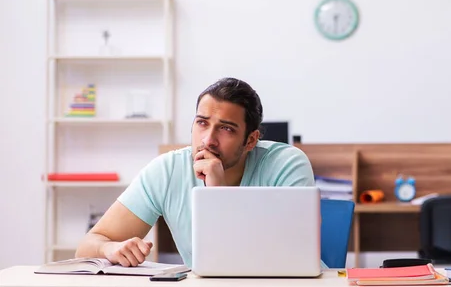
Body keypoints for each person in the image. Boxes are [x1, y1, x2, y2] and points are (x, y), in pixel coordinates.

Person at [75, 77, 315, 268]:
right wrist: (110, 249)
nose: (208, 140)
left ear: (251, 140)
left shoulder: (287, 164)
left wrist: (217, 193)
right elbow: (87, 247)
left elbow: (290, 255)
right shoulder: (168, 170)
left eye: (226, 129)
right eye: (202, 123)